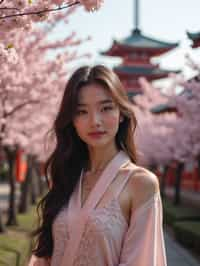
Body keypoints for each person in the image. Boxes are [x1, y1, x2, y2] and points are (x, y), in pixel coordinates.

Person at [28, 65, 167, 266]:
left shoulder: (141, 184)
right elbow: (44, 256)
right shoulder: (65, 176)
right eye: (82, 111)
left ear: (121, 113)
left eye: (106, 108)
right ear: (72, 120)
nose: (95, 121)